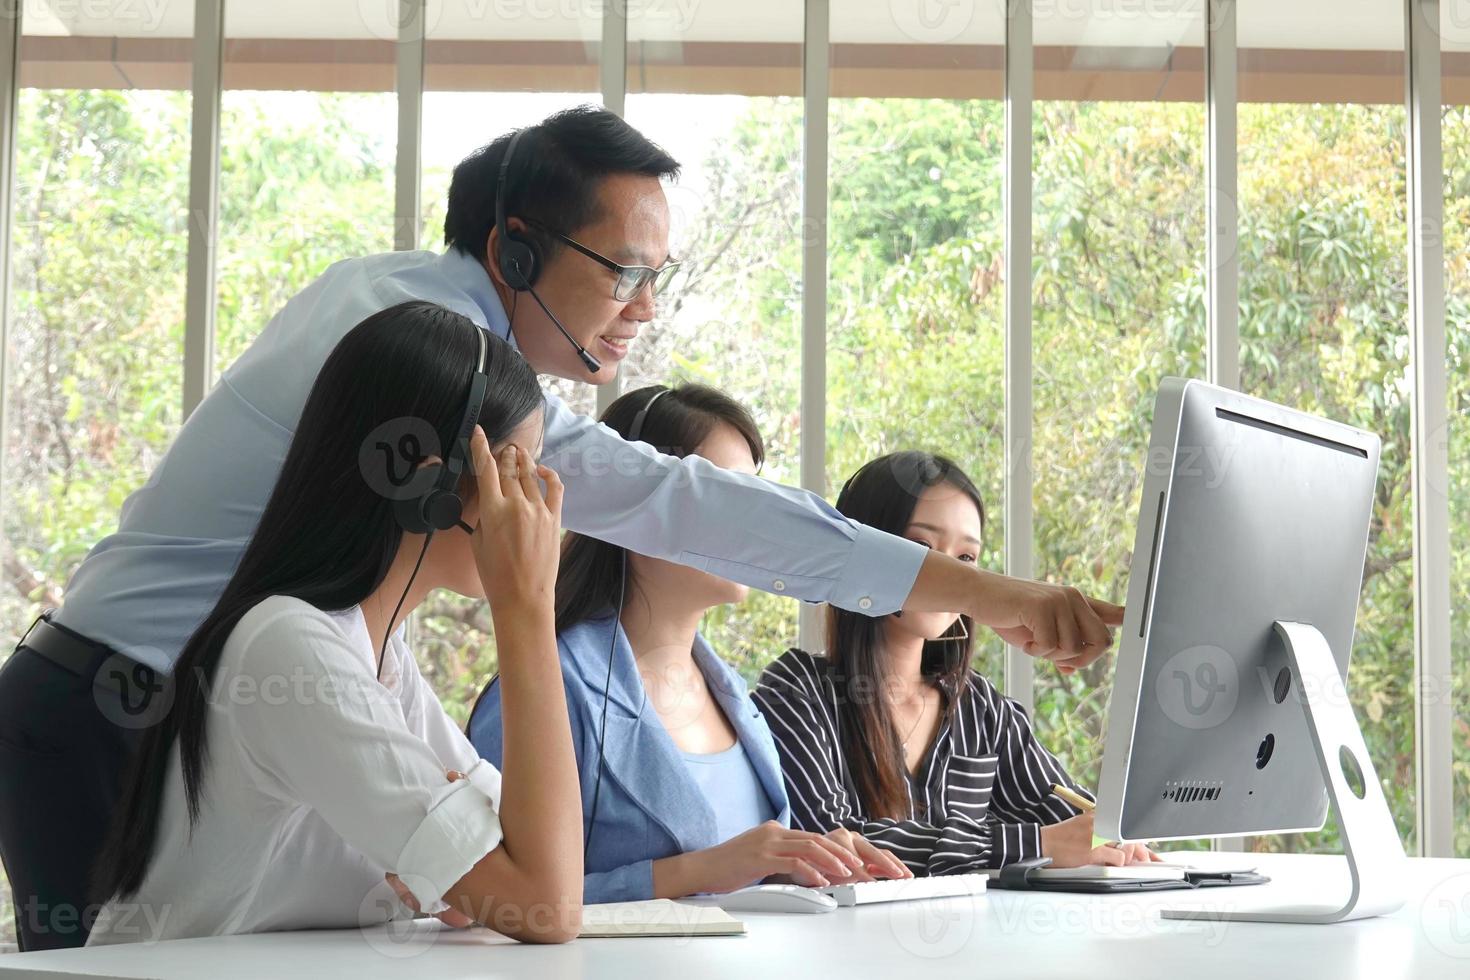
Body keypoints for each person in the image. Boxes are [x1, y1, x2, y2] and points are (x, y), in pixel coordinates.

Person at [0, 105, 1119, 948]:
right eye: (624, 271)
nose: (643, 307)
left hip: (187, 702)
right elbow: (689, 501)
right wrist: (989, 594)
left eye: (657, 277)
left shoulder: (378, 613)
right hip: (113, 705)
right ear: (518, 249)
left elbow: (533, 878)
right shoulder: (422, 348)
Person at [86, 301, 582, 945]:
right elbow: (546, 905)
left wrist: (472, 875)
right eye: (516, 474)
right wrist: (526, 608)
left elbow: (531, 865)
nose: (537, 507)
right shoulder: (289, 646)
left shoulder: (383, 656)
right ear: (430, 491)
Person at [468, 384, 910, 903]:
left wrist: (801, 863)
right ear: (637, 510)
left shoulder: (734, 696)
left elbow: (739, 880)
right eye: (725, 499)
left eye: (757, 500)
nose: (755, 526)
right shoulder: (545, 688)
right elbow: (491, 903)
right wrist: (694, 871)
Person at [753, 452, 1158, 876]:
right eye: (921, 550)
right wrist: (1034, 843)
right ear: (863, 557)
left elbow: (1067, 816)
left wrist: (1111, 837)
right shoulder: (796, 689)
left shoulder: (979, 706)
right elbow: (829, 842)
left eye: (965, 560)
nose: (947, 576)